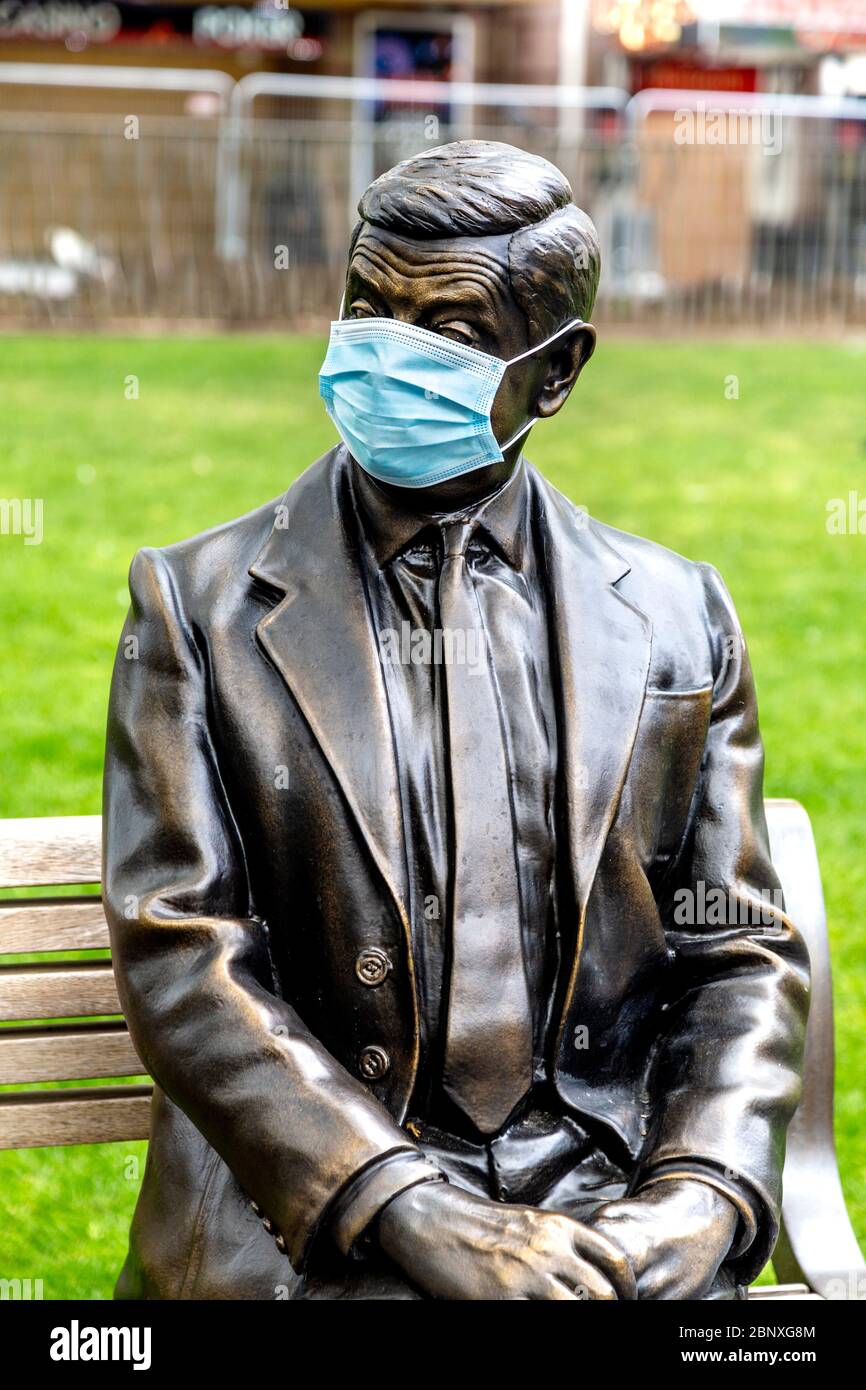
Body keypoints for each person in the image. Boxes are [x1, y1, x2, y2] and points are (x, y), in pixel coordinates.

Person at [104, 141, 809, 1301]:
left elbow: (734, 949)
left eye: (448, 331)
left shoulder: (678, 615)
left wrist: (703, 1190)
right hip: (320, 1212)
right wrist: (404, 1203)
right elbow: (184, 952)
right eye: (366, 307)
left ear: (555, 371)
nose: (389, 354)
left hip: (608, 1196)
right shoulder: (198, 608)